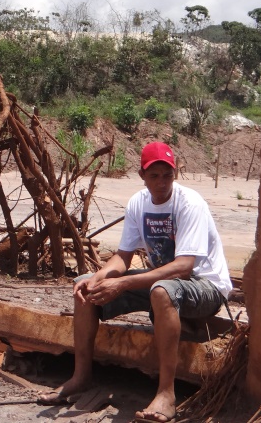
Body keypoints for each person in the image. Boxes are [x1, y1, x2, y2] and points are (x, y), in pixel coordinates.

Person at [38, 141, 232, 423]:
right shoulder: (138, 203)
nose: (162, 182)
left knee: (163, 291)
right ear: (142, 176)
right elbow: (123, 257)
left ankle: (166, 394)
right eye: (154, 176)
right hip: (163, 284)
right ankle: (81, 376)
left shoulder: (189, 204)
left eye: (167, 175)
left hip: (206, 287)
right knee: (84, 285)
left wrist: (124, 284)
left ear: (175, 175)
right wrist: (96, 278)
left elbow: (184, 267)